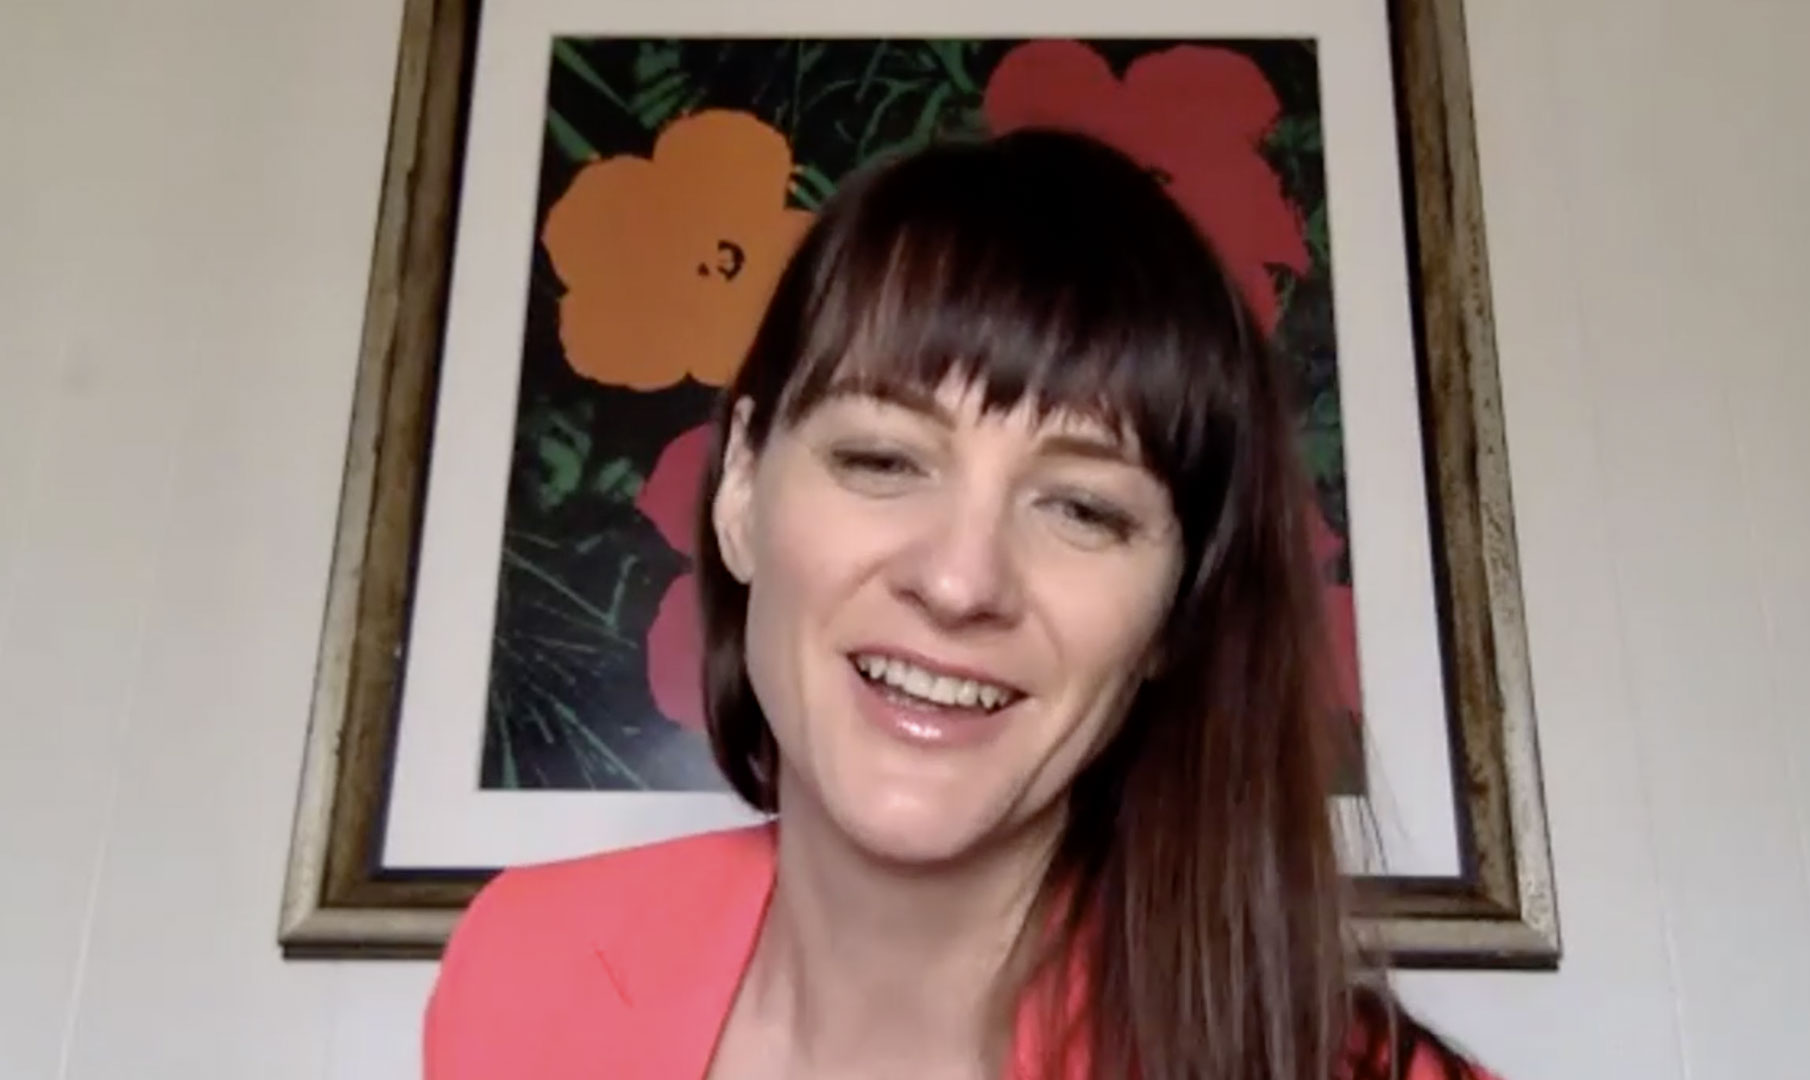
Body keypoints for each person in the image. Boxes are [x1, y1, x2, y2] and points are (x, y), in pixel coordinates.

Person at [424, 128, 1497, 1080]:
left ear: (1177, 612)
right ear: (742, 488)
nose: (959, 581)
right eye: (882, 460)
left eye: (1081, 508)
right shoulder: (525, 963)